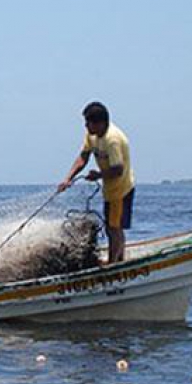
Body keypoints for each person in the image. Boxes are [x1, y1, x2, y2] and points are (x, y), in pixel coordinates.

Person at [58, 101, 135, 264]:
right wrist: (68, 178)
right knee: (113, 226)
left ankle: (114, 264)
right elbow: (83, 157)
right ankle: (118, 259)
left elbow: (118, 169)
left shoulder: (112, 139)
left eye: (88, 122)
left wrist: (98, 175)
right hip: (109, 190)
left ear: (100, 123)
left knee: (114, 228)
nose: (86, 126)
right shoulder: (92, 136)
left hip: (121, 189)